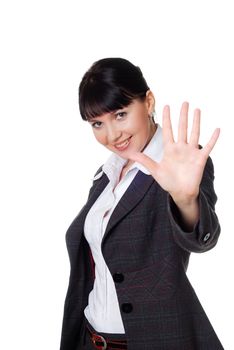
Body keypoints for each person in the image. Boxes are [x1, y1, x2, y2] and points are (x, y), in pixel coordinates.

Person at [59, 58, 224, 350]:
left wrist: (186, 200)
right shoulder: (107, 174)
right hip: (90, 339)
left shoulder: (181, 165)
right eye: (98, 123)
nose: (111, 135)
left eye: (121, 114)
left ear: (148, 102)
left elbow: (201, 239)